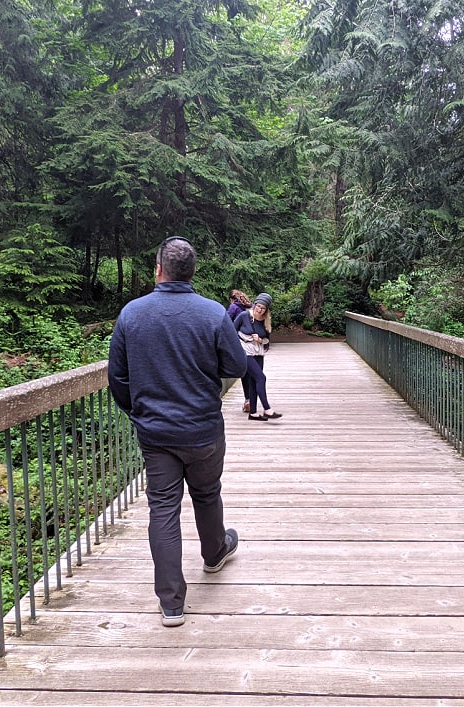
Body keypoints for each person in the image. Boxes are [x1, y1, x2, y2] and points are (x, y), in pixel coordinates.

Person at [108, 236, 248, 627]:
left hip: (156, 434)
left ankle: (171, 603)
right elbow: (236, 366)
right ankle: (214, 553)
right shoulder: (211, 314)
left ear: (158, 269)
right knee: (206, 493)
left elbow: (117, 376)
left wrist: (137, 411)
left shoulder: (132, 314)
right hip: (203, 427)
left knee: (163, 508)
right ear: (192, 272)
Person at [234, 292, 282, 421]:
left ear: (266, 310)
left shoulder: (266, 321)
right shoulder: (244, 316)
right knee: (261, 377)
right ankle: (267, 409)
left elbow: (267, 341)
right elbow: (231, 331)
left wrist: (260, 340)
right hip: (245, 351)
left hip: (259, 353)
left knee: (253, 381)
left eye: (263, 308)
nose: (259, 310)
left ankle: (253, 413)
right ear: (255, 305)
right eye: (258, 306)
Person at [226, 290, 253, 412]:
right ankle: (253, 399)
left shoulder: (234, 307)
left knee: (245, 372)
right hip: (254, 344)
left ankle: (248, 399)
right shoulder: (251, 307)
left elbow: (226, 323)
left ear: (232, 299)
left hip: (241, 343)